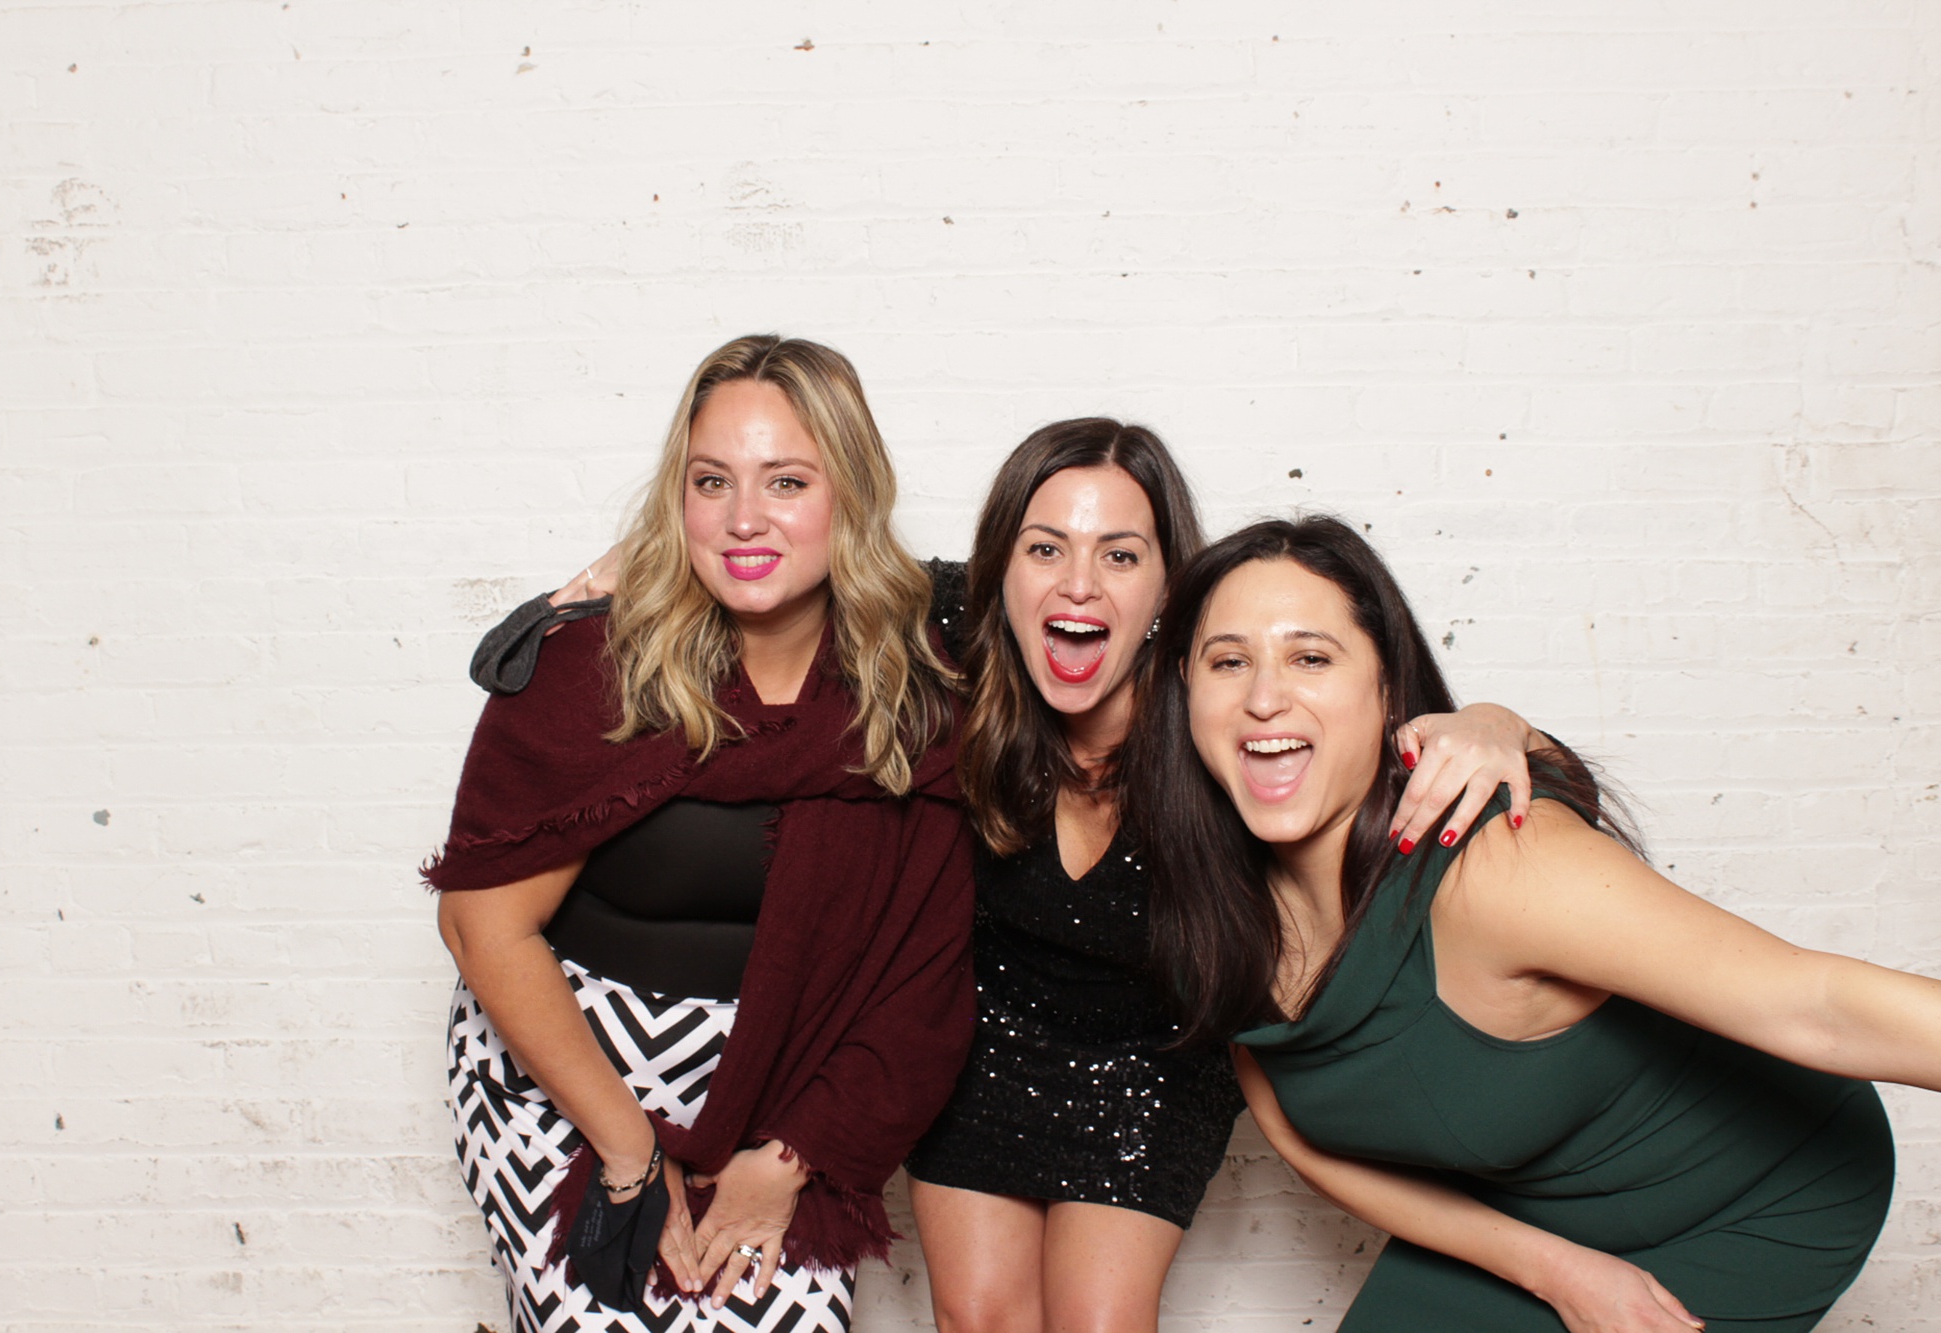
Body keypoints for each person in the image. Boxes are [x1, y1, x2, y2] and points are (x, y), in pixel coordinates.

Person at [481, 422, 1551, 1333]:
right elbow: (802, 563)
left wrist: (1497, 724)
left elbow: (1446, 751)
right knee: (980, 1319)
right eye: (1046, 548)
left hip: (1154, 1063)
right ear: (1000, 571)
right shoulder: (949, 657)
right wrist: (646, 558)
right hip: (980, 1046)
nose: (1077, 581)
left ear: (1168, 587)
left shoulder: (1227, 708)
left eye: (1119, 554)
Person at [1132, 515, 1938, 1332]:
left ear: (1386, 688)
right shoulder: (1216, 913)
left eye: (1311, 656)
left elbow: (1817, 1002)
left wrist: (1503, 723)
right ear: (1185, 695)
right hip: (1539, 1206)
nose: (1265, 696)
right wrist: (1553, 1268)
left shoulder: (1494, 871)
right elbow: (1303, 1141)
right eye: (1228, 661)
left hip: (1761, 1188)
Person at [425, 334, 978, 1333]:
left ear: (848, 495)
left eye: (786, 481)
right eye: (710, 481)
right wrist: (629, 1150)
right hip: (563, 1073)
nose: (742, 518)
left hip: (784, 1087)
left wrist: (784, 1163)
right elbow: (481, 929)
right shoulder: (588, 666)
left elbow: (920, 976)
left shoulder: (911, 695)